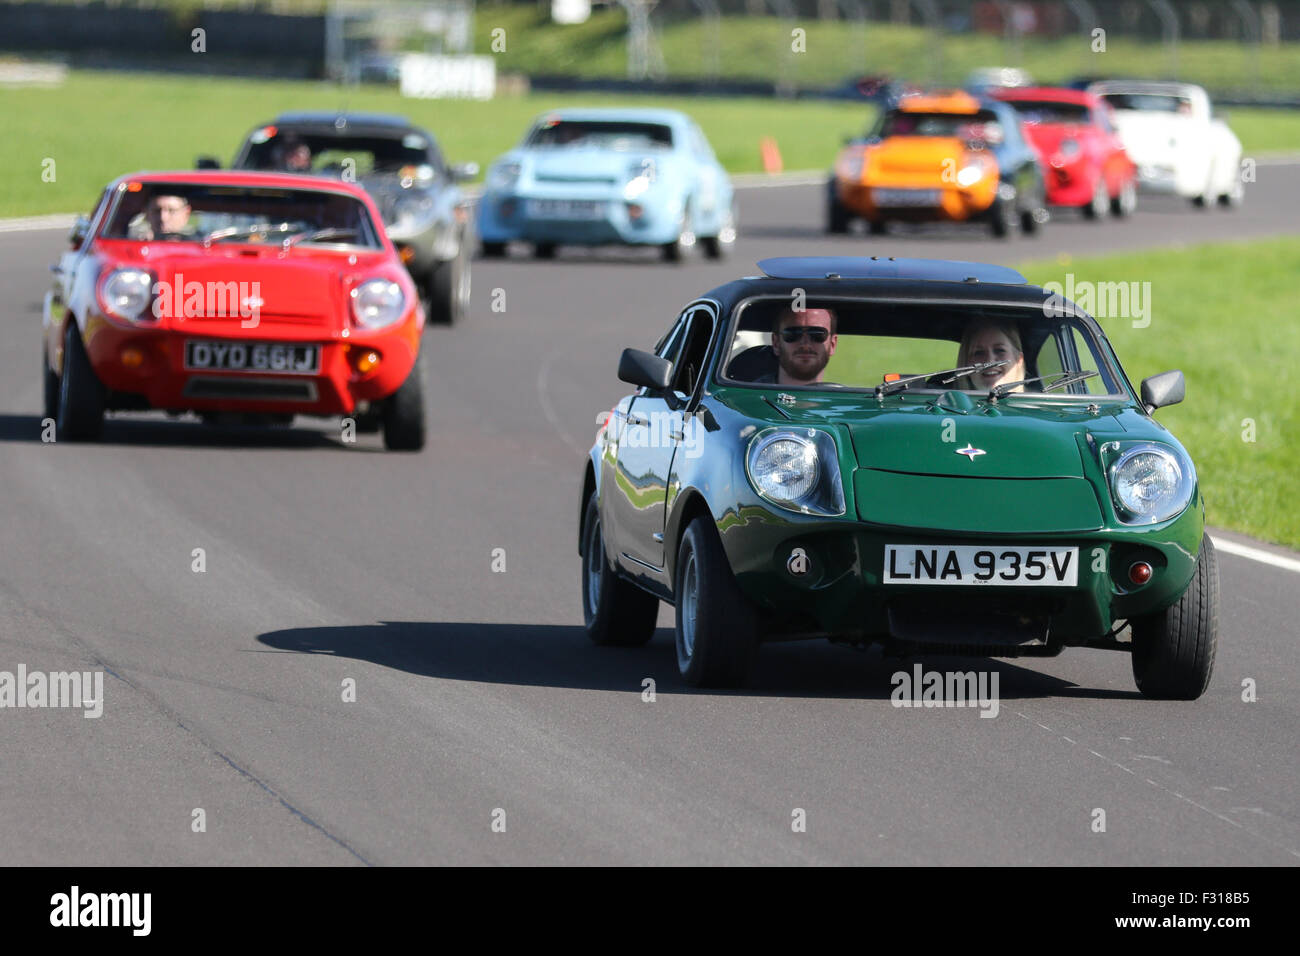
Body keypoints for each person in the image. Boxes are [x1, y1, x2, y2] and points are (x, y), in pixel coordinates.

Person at [755, 306, 839, 386]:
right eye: (793, 333)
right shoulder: (749, 399)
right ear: (776, 343)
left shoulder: (844, 400)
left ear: (832, 344)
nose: (805, 345)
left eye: (817, 334)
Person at [955, 321, 1027, 391]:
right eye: (979, 353)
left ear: (1019, 360)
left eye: (999, 350)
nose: (989, 361)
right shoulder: (948, 401)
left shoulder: (1036, 401)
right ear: (966, 364)